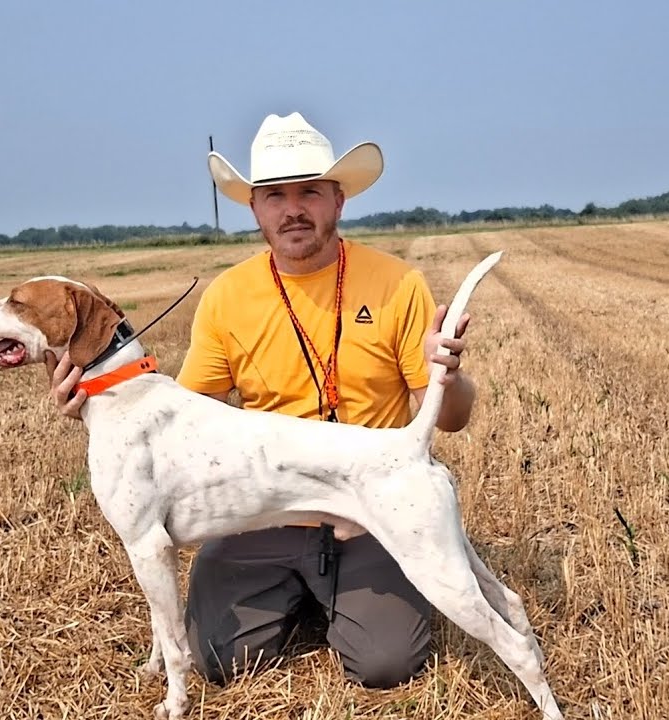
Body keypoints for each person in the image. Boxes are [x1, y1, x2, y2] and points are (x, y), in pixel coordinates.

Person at [45, 112, 478, 689]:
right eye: (274, 195)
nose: (291, 209)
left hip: (367, 501)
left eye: (309, 192)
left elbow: (450, 419)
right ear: (255, 209)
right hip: (264, 507)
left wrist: (448, 373)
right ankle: (307, 592)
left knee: (385, 664)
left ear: (338, 200)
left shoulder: (398, 284)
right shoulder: (227, 297)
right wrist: (97, 398)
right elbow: (178, 420)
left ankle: (348, 596)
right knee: (219, 660)